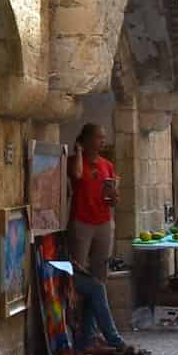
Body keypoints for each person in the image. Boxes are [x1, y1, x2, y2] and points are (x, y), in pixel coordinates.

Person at [66, 123, 117, 287]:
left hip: (104, 222)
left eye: (103, 137)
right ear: (86, 139)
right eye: (98, 137)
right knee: (78, 269)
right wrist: (79, 151)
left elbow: (114, 200)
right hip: (81, 221)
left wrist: (114, 195)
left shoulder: (107, 165)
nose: (103, 141)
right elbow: (77, 174)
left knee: (101, 270)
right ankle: (77, 310)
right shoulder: (74, 162)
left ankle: (96, 309)